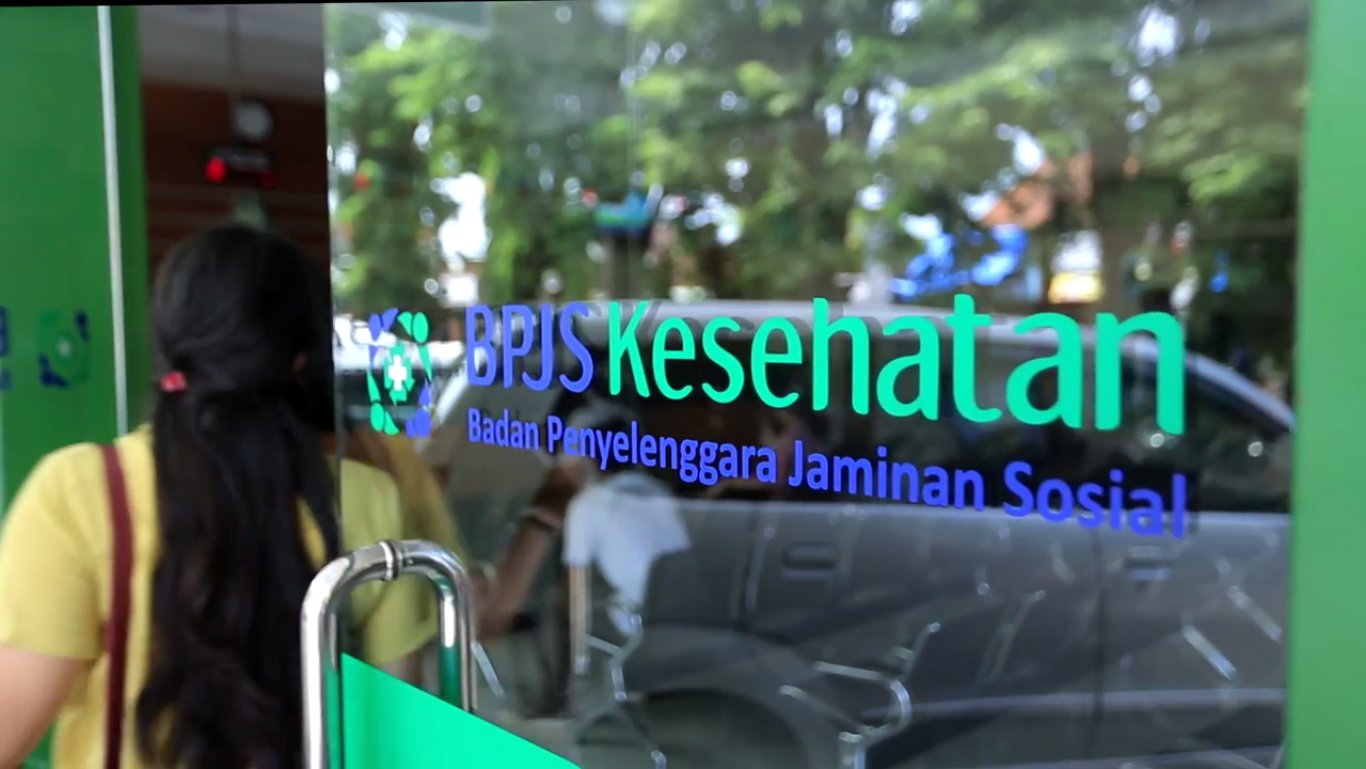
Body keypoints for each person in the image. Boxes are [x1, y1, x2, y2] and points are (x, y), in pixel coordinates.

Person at [0, 225, 434, 768]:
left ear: (168, 344)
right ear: (300, 359)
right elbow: (392, 739)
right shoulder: (366, 497)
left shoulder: (79, 491)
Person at [533, 400, 691, 717]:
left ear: (588, 458)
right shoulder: (656, 490)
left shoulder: (589, 504)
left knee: (553, 603)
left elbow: (574, 584)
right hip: (680, 609)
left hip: (636, 615)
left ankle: (555, 702)